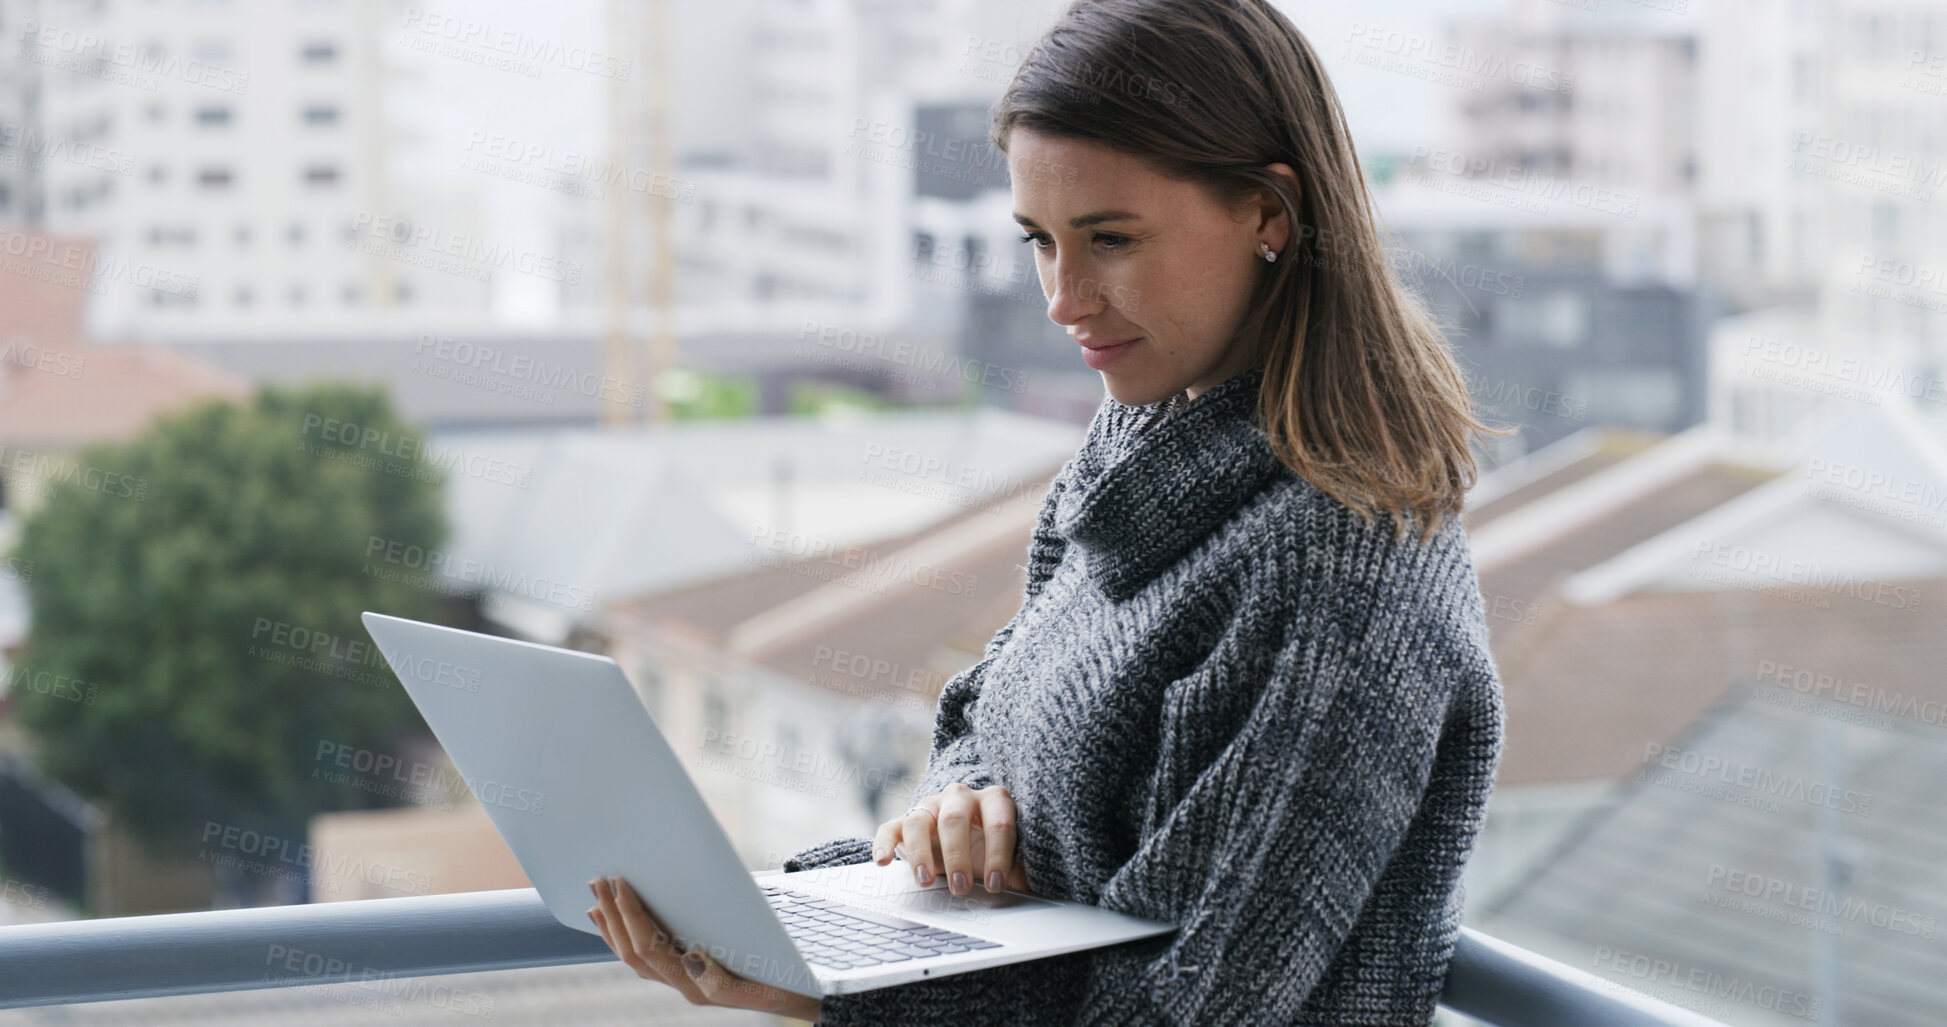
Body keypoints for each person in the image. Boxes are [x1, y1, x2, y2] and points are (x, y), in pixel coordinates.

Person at [587, 0, 1511, 1022]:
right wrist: (961, 802)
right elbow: (981, 715)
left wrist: (840, 1001)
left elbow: (1184, 1007)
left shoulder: (1344, 574)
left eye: (1110, 239)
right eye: (1039, 240)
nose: (1063, 298)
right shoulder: (1134, 458)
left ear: (1270, 212)